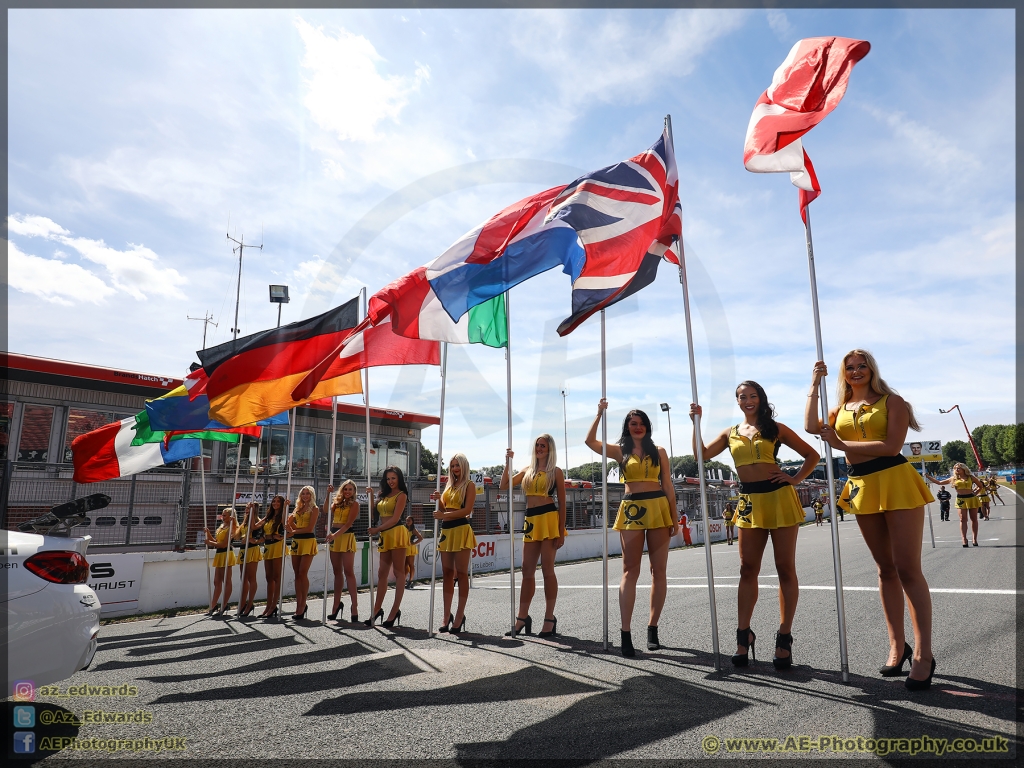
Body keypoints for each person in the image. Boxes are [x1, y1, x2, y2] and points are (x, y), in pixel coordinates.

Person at [807, 350, 936, 691]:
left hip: (895, 480)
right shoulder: (839, 409)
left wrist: (839, 441)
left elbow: (893, 446)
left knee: (908, 567)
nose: (856, 371)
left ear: (872, 369)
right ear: (843, 374)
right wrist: (814, 382)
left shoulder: (893, 402)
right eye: (849, 368)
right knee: (885, 569)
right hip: (862, 485)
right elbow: (810, 426)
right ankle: (898, 645)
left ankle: (924, 653)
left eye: (862, 365)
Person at [693, 380, 819, 671]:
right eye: (742, 397)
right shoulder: (731, 433)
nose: (747, 400)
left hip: (779, 497)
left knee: (785, 567)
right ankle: (743, 635)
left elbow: (812, 455)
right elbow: (701, 455)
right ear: (737, 401)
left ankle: (784, 636)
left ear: (761, 399)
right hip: (749, 500)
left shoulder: (776, 429)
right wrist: (696, 422)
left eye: (752, 396)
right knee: (747, 569)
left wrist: (795, 479)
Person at [586, 401, 678, 657]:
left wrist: (674, 517)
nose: (638, 427)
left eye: (642, 423)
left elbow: (668, 486)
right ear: (627, 428)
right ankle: (625, 632)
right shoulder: (620, 450)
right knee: (630, 570)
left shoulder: (659, 451)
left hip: (659, 508)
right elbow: (590, 442)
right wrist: (598, 415)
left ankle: (653, 627)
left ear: (648, 427)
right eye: (633, 424)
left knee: (658, 571)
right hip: (632, 510)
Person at [500, 434, 567, 638]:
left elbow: (563, 503)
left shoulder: (555, 472)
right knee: (526, 569)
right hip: (531, 520)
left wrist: (561, 530)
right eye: (537, 445)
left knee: (547, 569)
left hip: (549, 519)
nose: (539, 448)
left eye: (543, 445)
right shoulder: (527, 471)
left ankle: (549, 618)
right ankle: (522, 617)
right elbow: (504, 485)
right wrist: (507, 463)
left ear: (550, 449)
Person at [430, 454, 476, 634]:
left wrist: (444, 514)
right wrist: (439, 500)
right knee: (447, 574)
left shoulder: (469, 485)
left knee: (462, 574)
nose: (455, 468)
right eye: (452, 465)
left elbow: (467, 510)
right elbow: (444, 508)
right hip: (447, 530)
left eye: (458, 465)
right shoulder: (449, 485)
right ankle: (445, 615)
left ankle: (459, 615)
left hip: (461, 529)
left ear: (464, 466)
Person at [365, 466, 410, 628]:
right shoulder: (382, 495)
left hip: (396, 533)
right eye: (388, 478)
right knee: (381, 573)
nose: (391, 481)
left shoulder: (402, 495)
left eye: (394, 478)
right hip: (385, 536)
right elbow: (374, 514)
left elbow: (395, 518)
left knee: (399, 573)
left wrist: (377, 530)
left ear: (399, 479)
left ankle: (394, 611)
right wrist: (371, 497)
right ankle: (376, 610)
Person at [324, 481, 359, 622]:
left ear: (354, 491)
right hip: (334, 536)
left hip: (345, 536)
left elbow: (349, 523)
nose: (348, 491)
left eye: (350, 489)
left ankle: (354, 606)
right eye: (345, 489)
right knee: (337, 572)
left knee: (348, 571)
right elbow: (326, 510)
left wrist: (334, 535)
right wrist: (328, 494)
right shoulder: (337, 503)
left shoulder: (355, 504)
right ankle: (336, 605)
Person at [926, 464, 985, 547]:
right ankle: (964, 539)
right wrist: (928, 477)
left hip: (971, 498)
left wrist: (975, 493)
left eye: (959, 468)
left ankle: (974, 538)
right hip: (961, 499)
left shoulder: (971, 477)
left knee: (974, 519)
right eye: (956, 468)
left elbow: (980, 486)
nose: (957, 470)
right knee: (962, 519)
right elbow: (939, 482)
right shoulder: (953, 478)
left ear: (964, 469)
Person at [286, 486, 320, 620]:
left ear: (312, 495)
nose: (305, 496)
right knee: (296, 574)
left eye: (308, 493)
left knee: (302, 572)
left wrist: (293, 531)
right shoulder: (297, 509)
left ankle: (303, 603)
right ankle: (298, 604)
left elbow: (310, 528)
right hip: (296, 542)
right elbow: (291, 525)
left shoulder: (315, 509)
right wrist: (290, 527)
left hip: (308, 541)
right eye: (303, 493)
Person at [204, 506, 237, 616]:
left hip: (226, 553)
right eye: (222, 515)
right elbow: (217, 541)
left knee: (226, 580)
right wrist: (208, 534)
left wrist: (210, 543)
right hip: (219, 553)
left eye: (224, 515)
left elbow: (223, 544)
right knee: (216, 581)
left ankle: (224, 604)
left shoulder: (232, 527)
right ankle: (213, 605)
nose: (222, 517)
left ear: (230, 516)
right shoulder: (222, 526)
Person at [257, 495, 285, 619]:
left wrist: (273, 537)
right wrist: (252, 511)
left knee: (276, 577)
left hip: (277, 547)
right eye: (274, 501)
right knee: (268, 577)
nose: (275, 503)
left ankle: (274, 605)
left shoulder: (283, 516)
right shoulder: (268, 516)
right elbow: (255, 526)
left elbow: (285, 532)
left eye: (278, 501)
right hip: (268, 547)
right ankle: (268, 606)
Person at [234, 502, 263, 618]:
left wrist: (254, 540)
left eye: (249, 508)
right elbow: (237, 536)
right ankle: (242, 604)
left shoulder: (258, 521)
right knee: (243, 578)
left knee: (251, 578)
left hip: (252, 550)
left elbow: (261, 537)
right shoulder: (244, 522)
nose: (246, 510)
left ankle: (250, 603)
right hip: (243, 550)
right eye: (246, 508)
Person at [404, 515, 424, 589]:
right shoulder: (404, 528)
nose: (407, 522)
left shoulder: (413, 530)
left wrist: (413, 543)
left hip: (410, 548)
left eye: (409, 520)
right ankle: (404, 580)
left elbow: (421, 538)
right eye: (407, 520)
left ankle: (410, 580)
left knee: (411, 564)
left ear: (412, 522)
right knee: (404, 565)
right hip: (404, 548)